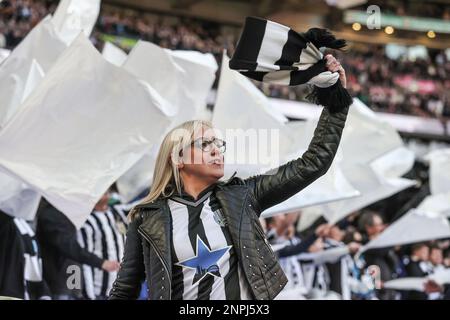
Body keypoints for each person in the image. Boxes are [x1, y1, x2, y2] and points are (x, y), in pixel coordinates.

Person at [109, 54, 349, 300]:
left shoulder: (242, 196)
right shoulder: (147, 218)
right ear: (178, 158)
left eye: (217, 143)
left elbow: (313, 163)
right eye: (204, 144)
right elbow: (125, 289)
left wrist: (335, 100)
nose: (216, 150)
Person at [36, 199, 120, 299]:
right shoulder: (51, 215)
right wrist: (100, 262)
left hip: (73, 280)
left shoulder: (69, 211)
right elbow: (68, 246)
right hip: (60, 283)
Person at [77, 191, 127, 300]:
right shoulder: (87, 221)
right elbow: (84, 260)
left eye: (107, 191)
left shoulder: (116, 212)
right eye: (101, 191)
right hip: (101, 291)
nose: (105, 193)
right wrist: (90, 295)